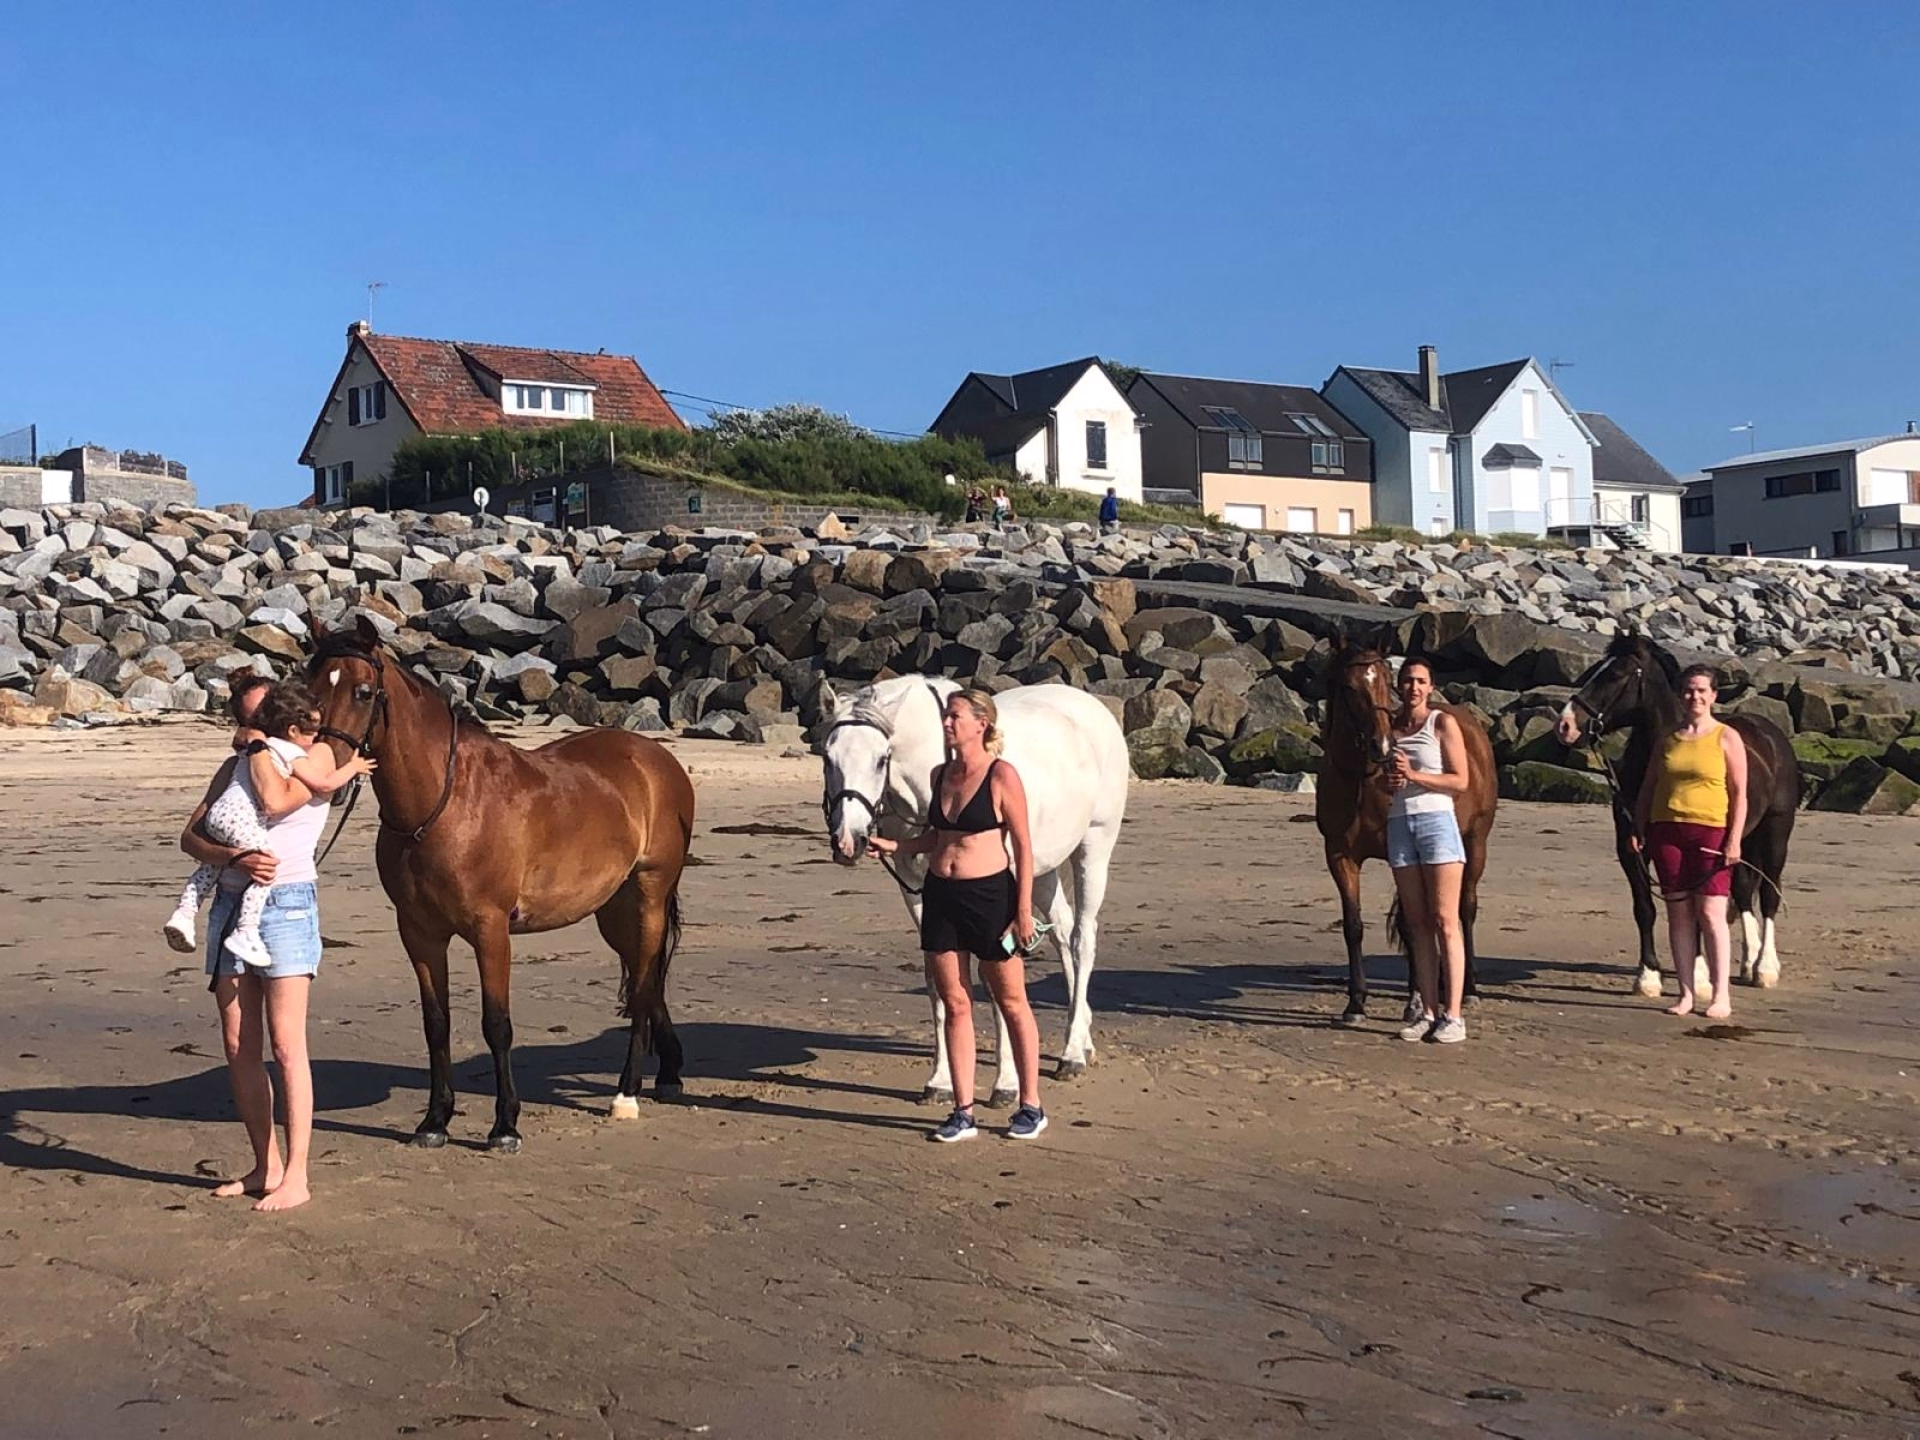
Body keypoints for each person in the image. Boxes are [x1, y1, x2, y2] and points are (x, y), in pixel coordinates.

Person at [178, 676, 335, 1211]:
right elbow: (191, 837)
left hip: (287, 903)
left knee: (287, 1045)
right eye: (251, 718)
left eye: (267, 714)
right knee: (238, 1044)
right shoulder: (235, 766)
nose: (259, 724)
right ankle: (265, 1165)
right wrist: (233, 858)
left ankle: (298, 1175)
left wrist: (262, 747)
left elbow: (274, 798)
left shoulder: (314, 758)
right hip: (230, 902)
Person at [863, 689, 1045, 1142]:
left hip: (990, 898)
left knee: (1011, 1001)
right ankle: (963, 1111)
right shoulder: (940, 773)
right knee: (956, 1002)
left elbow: (1023, 847)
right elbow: (937, 838)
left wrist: (1023, 911)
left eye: (955, 715)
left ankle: (1031, 1105)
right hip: (941, 896)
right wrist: (895, 846)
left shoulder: (1002, 776)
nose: (947, 722)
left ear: (981, 723)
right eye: (945, 715)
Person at [165, 682, 372, 964]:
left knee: (210, 868)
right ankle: (246, 929)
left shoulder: (312, 752)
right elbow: (275, 803)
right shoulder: (264, 756)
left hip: (266, 885)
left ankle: (185, 911)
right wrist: (354, 767)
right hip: (249, 894)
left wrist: (257, 745)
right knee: (266, 863)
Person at [1632, 664, 1748, 1020]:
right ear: (1680, 695)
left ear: (1713, 696)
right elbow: (1649, 786)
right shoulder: (1668, 738)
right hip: (1667, 831)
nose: (1694, 696)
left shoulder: (1726, 737)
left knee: (1711, 913)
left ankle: (1720, 993)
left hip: (1711, 831)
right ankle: (1685, 993)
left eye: (1701, 690)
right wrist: (1639, 827)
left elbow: (1740, 794)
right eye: (1688, 690)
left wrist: (1734, 840)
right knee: (1678, 914)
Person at [1384, 658, 1473, 1044]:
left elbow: (1460, 780)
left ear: (1431, 687)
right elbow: (1389, 783)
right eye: (1407, 681)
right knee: (1417, 923)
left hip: (1437, 822)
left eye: (1420, 681)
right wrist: (1392, 781)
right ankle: (1428, 1010)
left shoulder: (1441, 723)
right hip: (1400, 823)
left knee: (1444, 919)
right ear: (1398, 686)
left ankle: (1454, 1015)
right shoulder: (1391, 728)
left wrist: (1415, 774)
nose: (1413, 687)